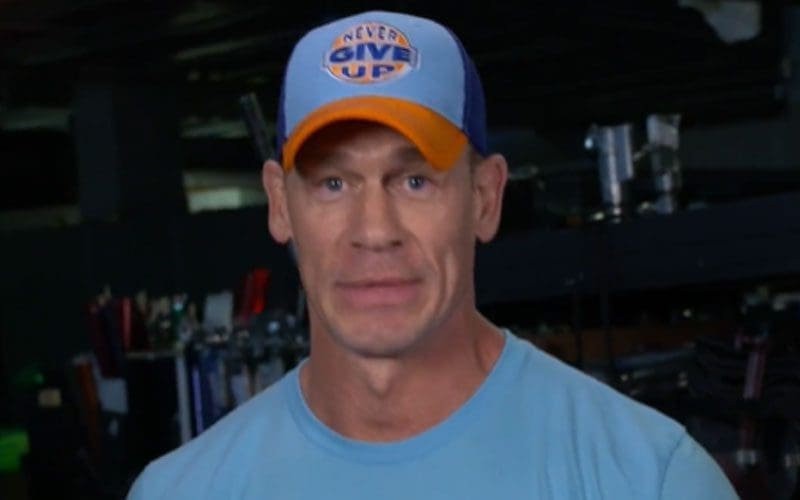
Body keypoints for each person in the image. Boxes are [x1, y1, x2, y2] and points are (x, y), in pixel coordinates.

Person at [128, 10, 737, 499]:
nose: (374, 231)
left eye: (414, 180)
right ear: (281, 206)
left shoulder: (650, 479)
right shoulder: (181, 490)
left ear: (485, 198)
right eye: (333, 183)